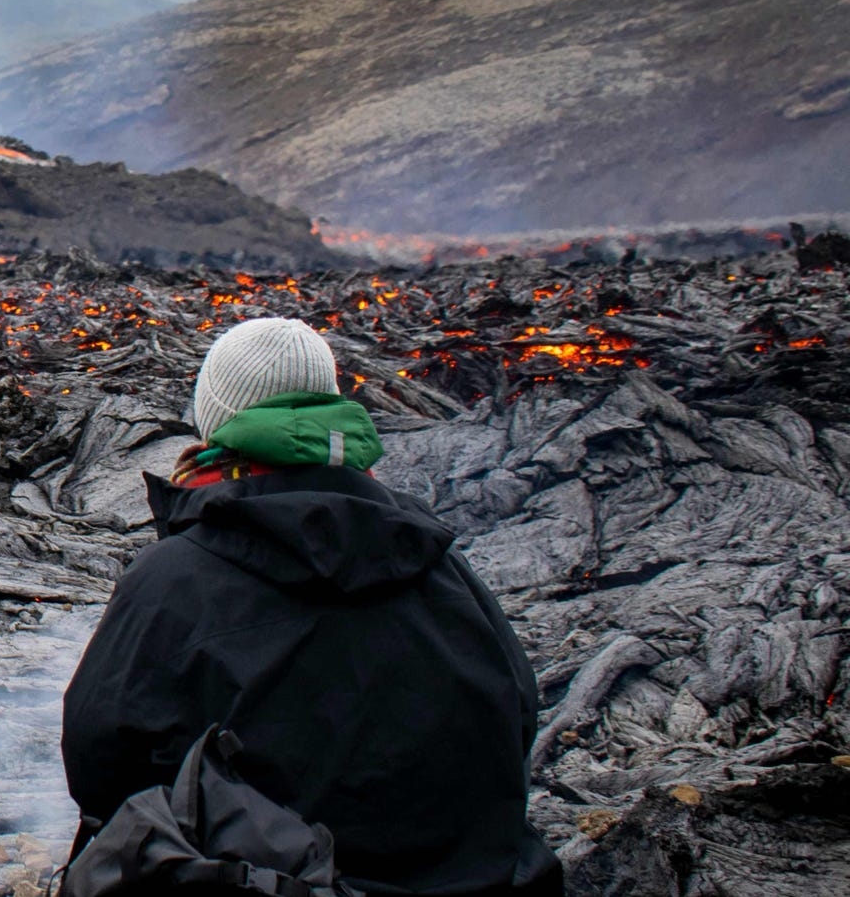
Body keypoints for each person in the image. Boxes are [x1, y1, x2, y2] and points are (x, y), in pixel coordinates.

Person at [60, 316, 562, 896]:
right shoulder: (439, 562)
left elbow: (100, 765)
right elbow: (516, 715)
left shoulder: (173, 580)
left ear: (216, 419)